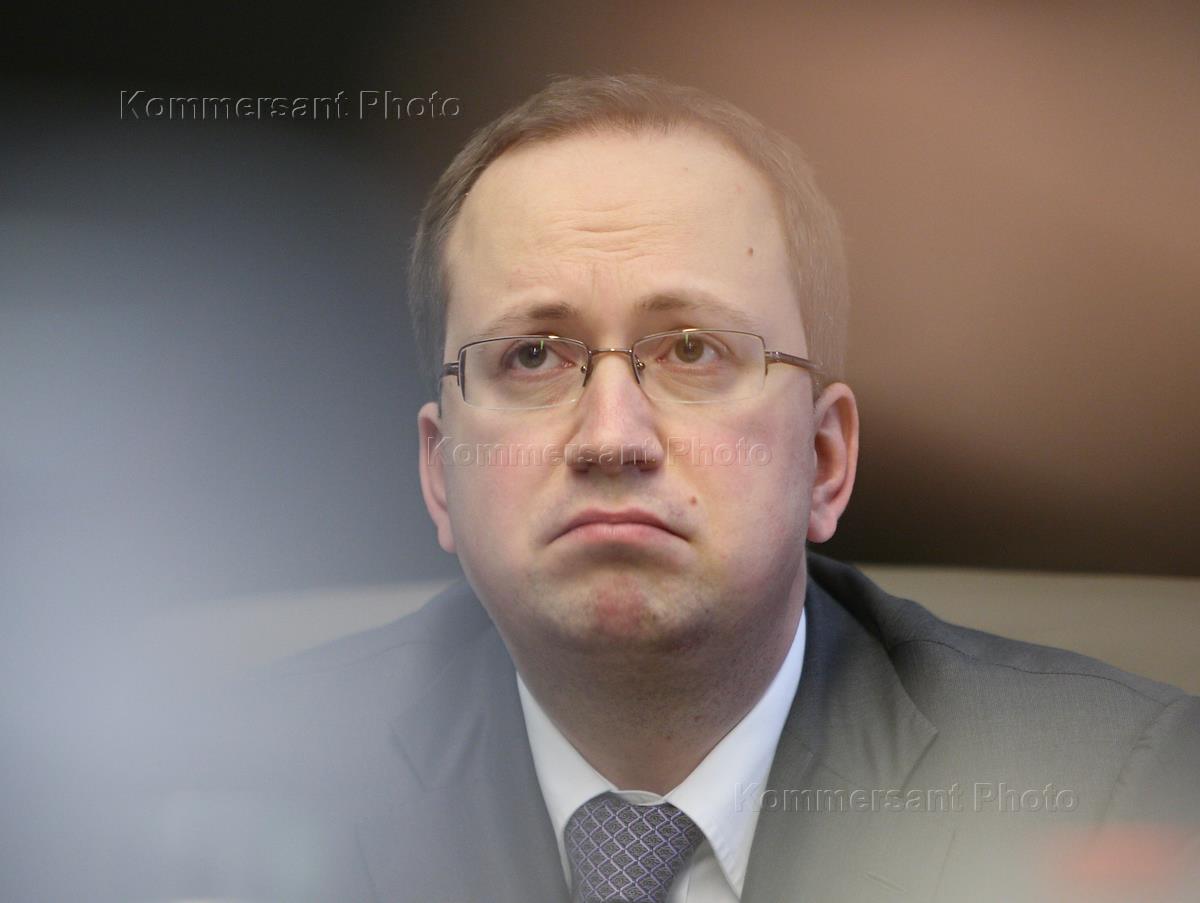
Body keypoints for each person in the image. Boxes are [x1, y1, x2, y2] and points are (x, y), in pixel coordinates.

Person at [158, 74, 1198, 903]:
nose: (612, 438)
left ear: (826, 461)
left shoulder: (1111, 794)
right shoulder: (212, 796)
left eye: (694, 349)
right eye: (532, 357)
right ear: (439, 475)